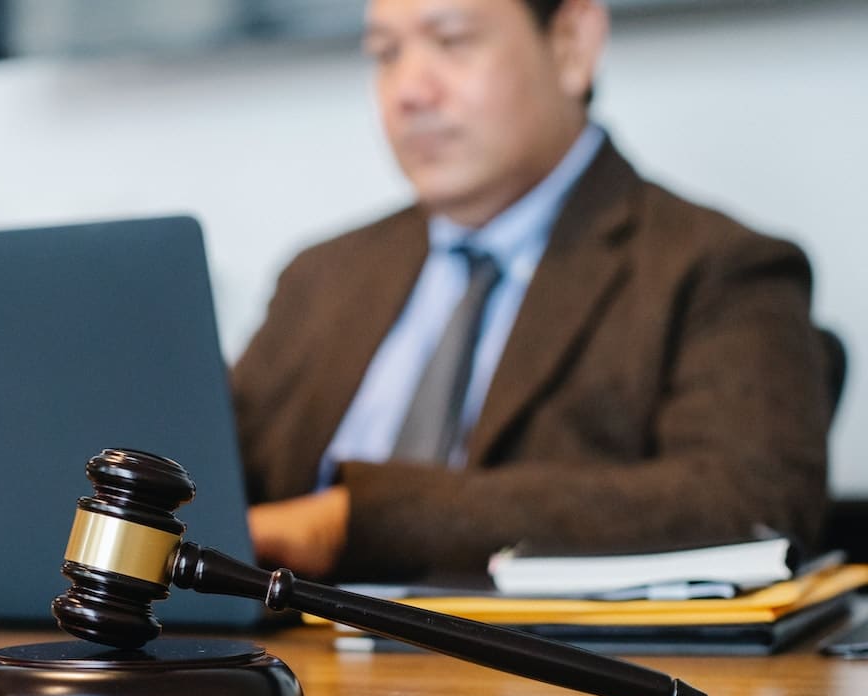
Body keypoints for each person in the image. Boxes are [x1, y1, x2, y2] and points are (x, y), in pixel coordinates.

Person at [231, 0, 830, 583]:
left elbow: (750, 501)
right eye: (385, 54)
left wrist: (355, 520)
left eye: (453, 40)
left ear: (571, 46)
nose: (408, 91)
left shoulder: (717, 267)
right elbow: (202, 475)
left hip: (536, 676)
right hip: (271, 666)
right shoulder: (320, 277)